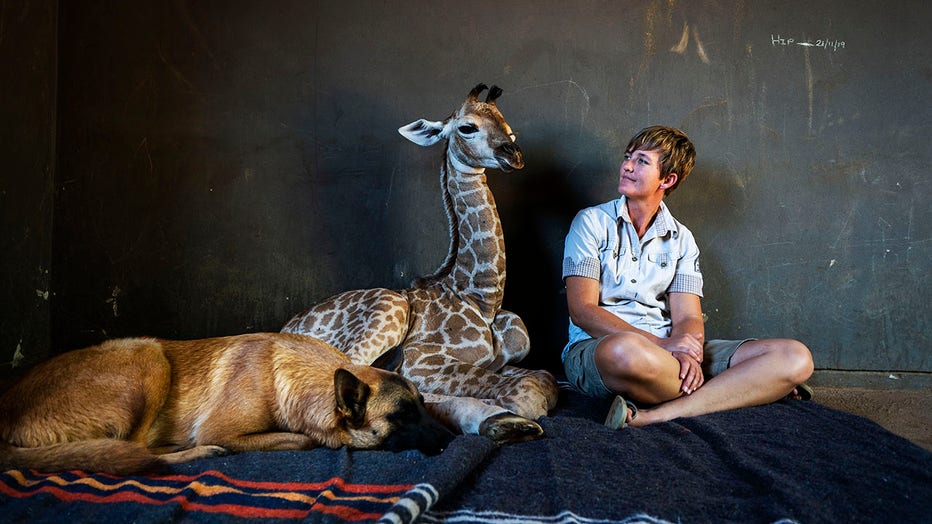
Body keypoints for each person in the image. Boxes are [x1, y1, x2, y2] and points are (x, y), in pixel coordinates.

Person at [561, 125, 814, 428]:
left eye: (642, 161)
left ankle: (654, 415)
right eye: (628, 157)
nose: (627, 166)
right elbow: (582, 311)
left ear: (667, 180)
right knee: (625, 350)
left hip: (670, 353)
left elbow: (688, 320)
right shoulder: (590, 222)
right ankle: (744, 388)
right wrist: (663, 346)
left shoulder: (682, 240)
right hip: (602, 350)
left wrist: (688, 352)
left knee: (795, 357)